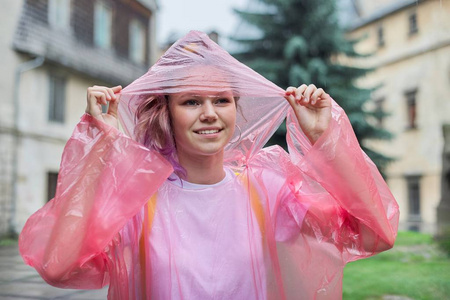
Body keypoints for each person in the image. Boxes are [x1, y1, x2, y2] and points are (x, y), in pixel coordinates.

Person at [19, 31, 399, 300]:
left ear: (237, 109)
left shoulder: (269, 190)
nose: (209, 115)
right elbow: (59, 267)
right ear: (166, 111)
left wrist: (325, 139)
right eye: (190, 102)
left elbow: (372, 235)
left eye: (221, 100)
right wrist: (101, 148)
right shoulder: (136, 200)